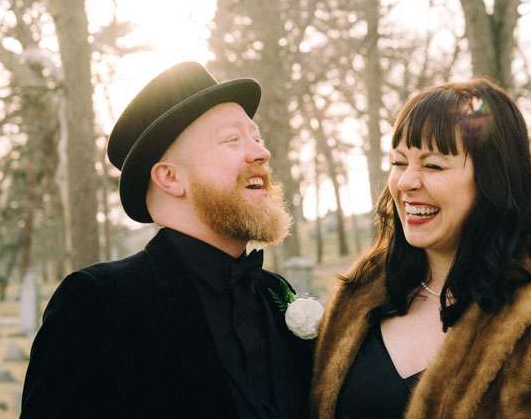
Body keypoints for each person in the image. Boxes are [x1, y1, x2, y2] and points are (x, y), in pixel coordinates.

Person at [312, 78, 531, 418]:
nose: (406, 182)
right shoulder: (359, 296)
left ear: (493, 178)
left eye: (433, 165)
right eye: (399, 163)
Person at [21, 62, 313, 418]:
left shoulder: (275, 293)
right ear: (171, 178)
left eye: (256, 137)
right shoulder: (97, 303)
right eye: (232, 140)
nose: (261, 153)